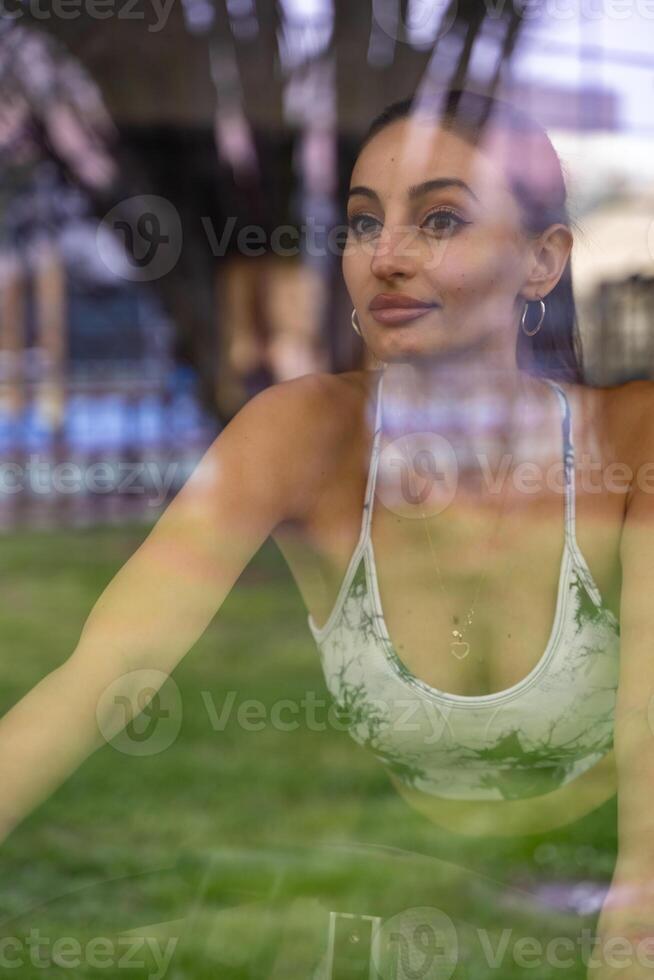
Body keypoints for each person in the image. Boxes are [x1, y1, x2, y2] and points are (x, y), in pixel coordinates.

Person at [1, 87, 653, 975]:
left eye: (441, 220)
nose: (386, 256)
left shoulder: (631, 438)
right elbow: (97, 677)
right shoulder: (297, 436)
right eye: (362, 222)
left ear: (542, 260)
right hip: (390, 902)